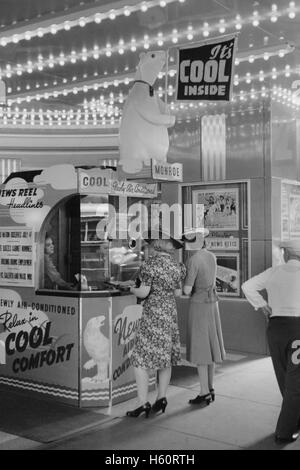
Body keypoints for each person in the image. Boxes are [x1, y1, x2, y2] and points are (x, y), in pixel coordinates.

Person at [242, 239, 300, 444]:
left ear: (286, 254)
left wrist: (262, 305)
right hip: (298, 329)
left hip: (276, 328)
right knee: (296, 380)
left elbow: (247, 286)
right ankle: (285, 430)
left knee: (284, 376)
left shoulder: (274, 271)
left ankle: (293, 415)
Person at [126, 230, 186, 418]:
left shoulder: (149, 264)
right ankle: (161, 397)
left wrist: (132, 289)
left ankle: (142, 402)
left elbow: (143, 293)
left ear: (156, 244)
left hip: (153, 313)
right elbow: (178, 293)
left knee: (140, 359)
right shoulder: (178, 266)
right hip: (169, 313)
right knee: (165, 357)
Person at [183, 228, 226, 406]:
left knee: (201, 350)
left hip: (199, 305)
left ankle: (203, 392)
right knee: (210, 346)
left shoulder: (193, 260)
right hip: (212, 303)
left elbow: (186, 290)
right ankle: (210, 388)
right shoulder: (211, 256)